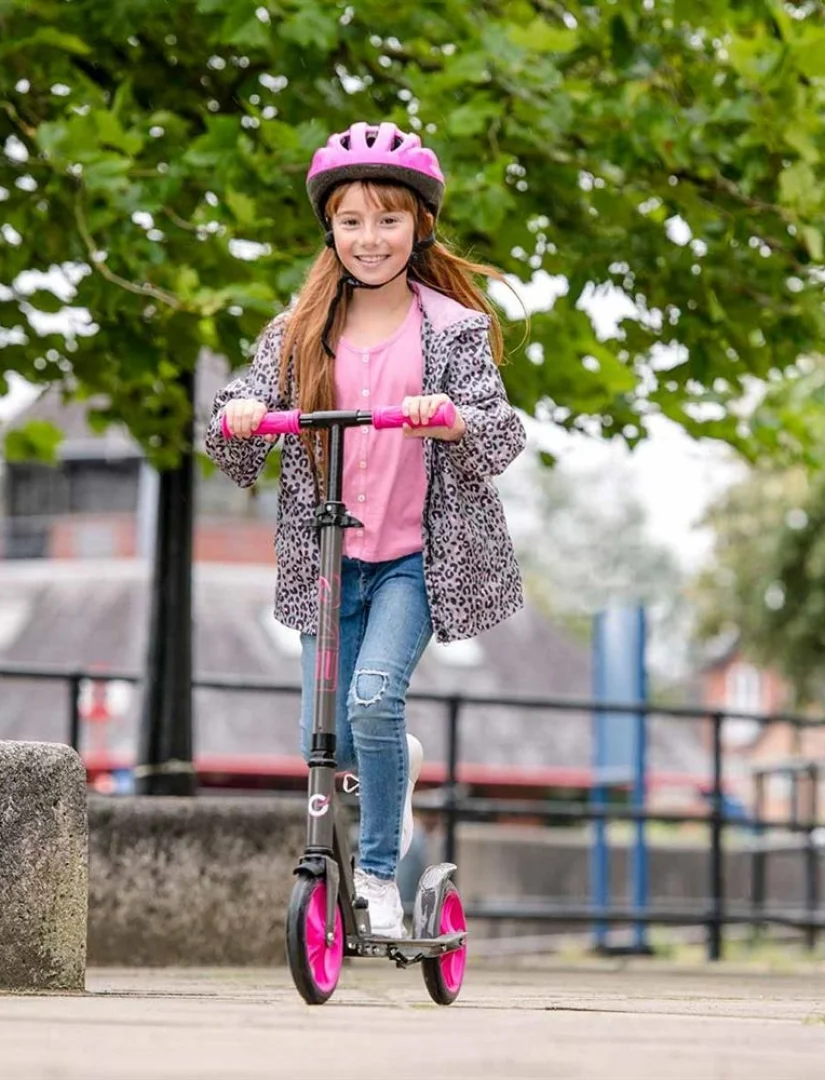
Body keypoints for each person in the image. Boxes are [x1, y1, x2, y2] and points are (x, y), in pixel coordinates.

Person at [205, 121, 525, 938]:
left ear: (420, 224)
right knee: (330, 738)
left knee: (376, 698)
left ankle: (379, 874)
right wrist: (242, 413)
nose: (370, 238)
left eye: (388, 219)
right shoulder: (299, 329)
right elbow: (233, 415)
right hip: (326, 559)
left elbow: (501, 432)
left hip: (414, 559)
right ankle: (396, 764)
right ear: (330, 228)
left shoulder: (450, 327)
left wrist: (451, 417)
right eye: (352, 221)